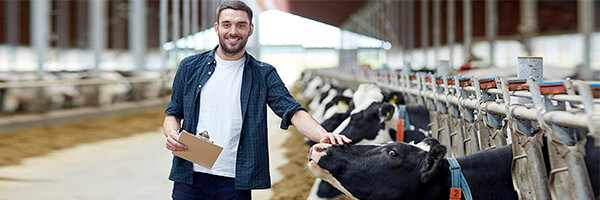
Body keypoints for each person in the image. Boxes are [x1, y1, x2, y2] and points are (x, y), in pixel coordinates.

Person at [162, 1, 352, 199]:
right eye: (227, 24)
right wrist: (172, 134)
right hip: (190, 177)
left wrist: (323, 135)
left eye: (241, 25)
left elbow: (293, 111)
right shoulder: (190, 67)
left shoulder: (263, 73)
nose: (233, 31)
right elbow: (173, 114)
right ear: (217, 28)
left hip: (235, 180)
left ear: (250, 29)